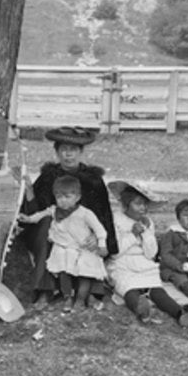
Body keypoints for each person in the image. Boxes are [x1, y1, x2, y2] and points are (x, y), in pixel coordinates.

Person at [19, 126, 117, 304]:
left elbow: (103, 214)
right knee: (47, 224)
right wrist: (29, 190)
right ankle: (45, 288)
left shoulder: (93, 179)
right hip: (55, 233)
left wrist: (98, 236)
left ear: (81, 152)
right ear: (57, 152)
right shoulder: (49, 176)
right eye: (63, 150)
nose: (68, 155)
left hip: (82, 232)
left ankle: (91, 291)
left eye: (73, 150)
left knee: (90, 241)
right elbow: (37, 212)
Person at [107, 180, 188, 326]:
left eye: (145, 204)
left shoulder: (148, 222)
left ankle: (180, 314)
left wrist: (145, 234)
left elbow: (151, 253)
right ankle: (142, 310)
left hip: (144, 263)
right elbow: (115, 252)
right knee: (129, 289)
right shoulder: (116, 220)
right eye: (138, 203)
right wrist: (132, 235)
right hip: (122, 263)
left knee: (156, 290)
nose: (143, 208)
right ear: (127, 204)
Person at [19, 175, 109, 312]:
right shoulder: (55, 210)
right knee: (63, 271)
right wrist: (28, 219)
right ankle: (68, 297)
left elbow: (100, 230)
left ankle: (80, 300)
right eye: (59, 197)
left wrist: (102, 245)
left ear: (77, 197)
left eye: (67, 197)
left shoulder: (85, 213)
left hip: (82, 248)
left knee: (85, 273)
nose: (63, 201)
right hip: (63, 248)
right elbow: (40, 215)